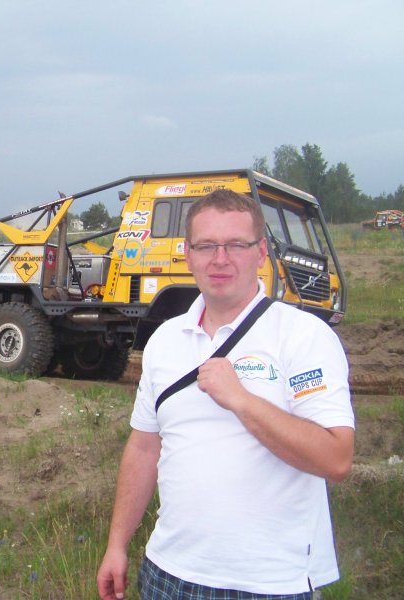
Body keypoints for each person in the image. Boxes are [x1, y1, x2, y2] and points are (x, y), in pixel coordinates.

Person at [97, 189, 355, 600]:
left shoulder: (304, 336)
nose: (220, 259)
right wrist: (117, 544)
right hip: (168, 574)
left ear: (261, 252)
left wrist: (242, 400)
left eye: (236, 244)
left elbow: (336, 459)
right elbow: (144, 447)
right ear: (187, 254)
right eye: (206, 246)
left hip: (271, 583)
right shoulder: (165, 340)